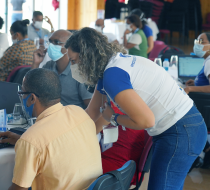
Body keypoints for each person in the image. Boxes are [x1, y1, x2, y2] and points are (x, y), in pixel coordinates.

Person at [65, 27, 207, 189]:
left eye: (73, 61)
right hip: (182, 127)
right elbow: (91, 114)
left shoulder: (113, 75)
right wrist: (68, 137)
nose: (72, 67)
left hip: (180, 130)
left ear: (86, 57)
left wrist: (113, 118)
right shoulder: (110, 68)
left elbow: (145, 120)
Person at [0, 68, 102, 190]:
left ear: (32, 98)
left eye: (22, 94)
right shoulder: (79, 113)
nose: (21, 98)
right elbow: (62, 145)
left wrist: (27, 143)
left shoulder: (31, 140)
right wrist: (22, 140)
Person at [31, 30, 92, 109]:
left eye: (56, 42)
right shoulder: (49, 66)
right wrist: (36, 63)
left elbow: (90, 108)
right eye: (50, 42)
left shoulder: (79, 71)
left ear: (70, 46)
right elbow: (31, 91)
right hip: (53, 116)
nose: (51, 46)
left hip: (73, 118)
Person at [184, 32, 210, 169]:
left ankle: (204, 147)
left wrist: (190, 90)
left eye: (202, 42)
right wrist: (196, 83)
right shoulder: (207, 60)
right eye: (197, 41)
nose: (197, 45)